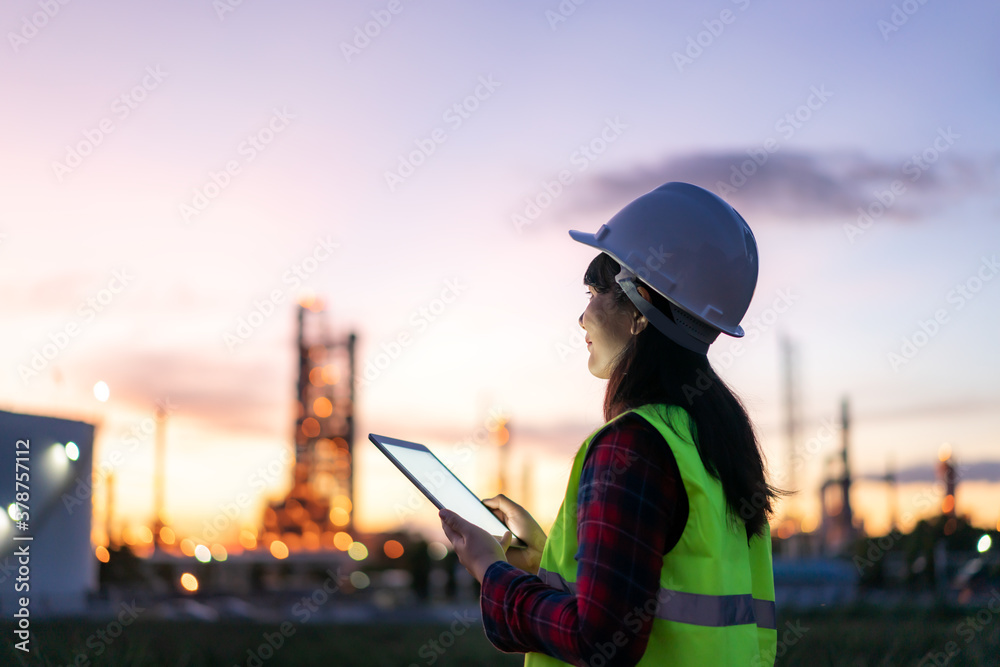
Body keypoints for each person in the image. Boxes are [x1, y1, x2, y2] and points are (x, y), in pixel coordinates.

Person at [439, 182, 783, 666]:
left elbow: (602, 638)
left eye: (595, 291)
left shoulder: (632, 447)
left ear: (640, 303)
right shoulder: (711, 441)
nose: (582, 317)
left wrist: (487, 567)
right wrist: (540, 560)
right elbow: (655, 595)